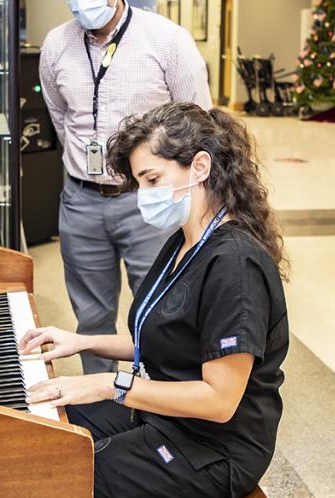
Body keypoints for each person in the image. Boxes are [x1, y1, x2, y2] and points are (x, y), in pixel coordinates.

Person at [20, 103, 289, 498]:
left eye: (152, 179)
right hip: (162, 414)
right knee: (37, 426)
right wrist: (81, 341)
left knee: (56, 478)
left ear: (200, 167)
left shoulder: (234, 264)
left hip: (215, 447)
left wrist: (111, 384)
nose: (143, 196)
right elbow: (167, 338)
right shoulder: (186, 240)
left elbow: (219, 402)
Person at [40, 0, 212, 375]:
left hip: (149, 200)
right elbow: (60, 118)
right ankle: (101, 411)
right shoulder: (56, 45)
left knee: (163, 314)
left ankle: (162, 407)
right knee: (90, 317)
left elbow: (201, 126)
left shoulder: (167, 41)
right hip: (80, 200)